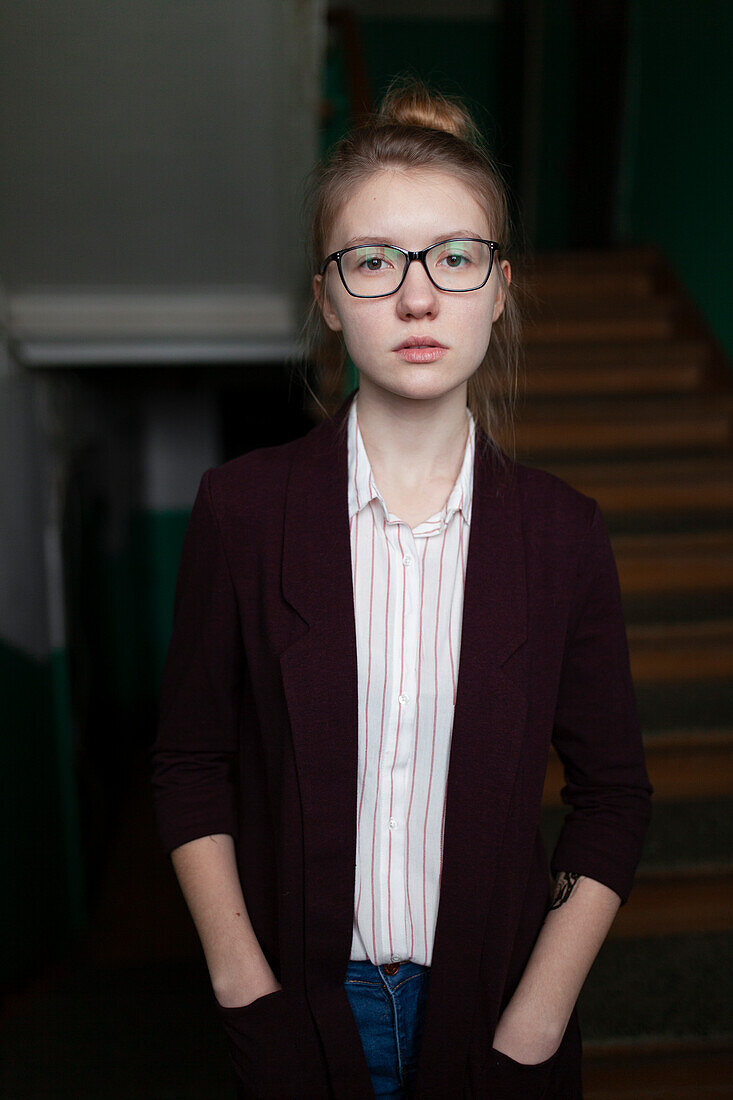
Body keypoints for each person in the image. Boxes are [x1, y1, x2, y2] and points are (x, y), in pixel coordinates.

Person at [151, 76, 654, 1099]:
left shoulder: (563, 533)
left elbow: (613, 796)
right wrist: (242, 980)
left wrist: (537, 1015)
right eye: (374, 261)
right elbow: (191, 762)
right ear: (329, 298)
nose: (417, 294)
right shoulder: (240, 511)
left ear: (498, 287)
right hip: (299, 1011)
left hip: (495, 1018)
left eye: (453, 257)